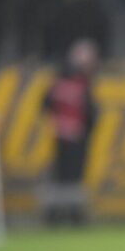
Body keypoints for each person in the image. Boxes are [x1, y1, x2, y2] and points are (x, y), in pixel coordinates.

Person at [41, 38, 98, 225]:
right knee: (68, 177)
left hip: (66, 135)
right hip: (71, 136)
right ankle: (65, 215)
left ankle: (63, 215)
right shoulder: (75, 83)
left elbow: (45, 105)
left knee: (67, 177)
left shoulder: (62, 82)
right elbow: (90, 112)